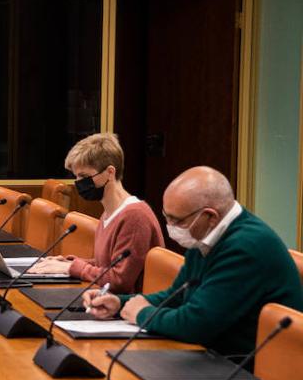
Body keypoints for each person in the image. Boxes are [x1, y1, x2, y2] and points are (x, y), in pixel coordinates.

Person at [84, 166, 303, 357]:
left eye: (176, 220)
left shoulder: (246, 247)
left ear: (211, 216)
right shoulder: (207, 236)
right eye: (166, 216)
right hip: (213, 354)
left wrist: (142, 314)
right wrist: (119, 303)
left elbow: (197, 324)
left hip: (244, 368)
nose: (170, 227)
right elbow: (178, 295)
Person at [31, 133, 163, 293]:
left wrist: (73, 268)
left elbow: (119, 280)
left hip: (125, 310)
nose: (79, 183)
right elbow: (108, 264)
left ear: (110, 172)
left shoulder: (135, 217)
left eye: (84, 176)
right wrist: (69, 263)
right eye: (77, 176)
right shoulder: (109, 212)